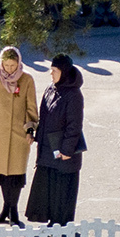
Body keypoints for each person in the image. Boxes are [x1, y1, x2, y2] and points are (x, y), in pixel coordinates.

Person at [0, 46, 39, 226]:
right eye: (7, 65)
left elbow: (31, 106)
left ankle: (13, 209)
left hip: (19, 134)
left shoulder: (27, 79)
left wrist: (30, 129)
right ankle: (7, 207)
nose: (10, 69)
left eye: (13, 65)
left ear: (19, 62)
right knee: (2, 173)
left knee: (16, 173)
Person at [24, 53, 86, 225]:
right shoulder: (51, 88)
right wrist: (34, 134)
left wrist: (67, 150)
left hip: (64, 153)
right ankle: (51, 222)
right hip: (48, 149)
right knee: (48, 187)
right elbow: (43, 116)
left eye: (54, 71)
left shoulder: (74, 95)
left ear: (64, 72)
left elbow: (74, 126)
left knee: (62, 190)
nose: (51, 74)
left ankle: (61, 225)